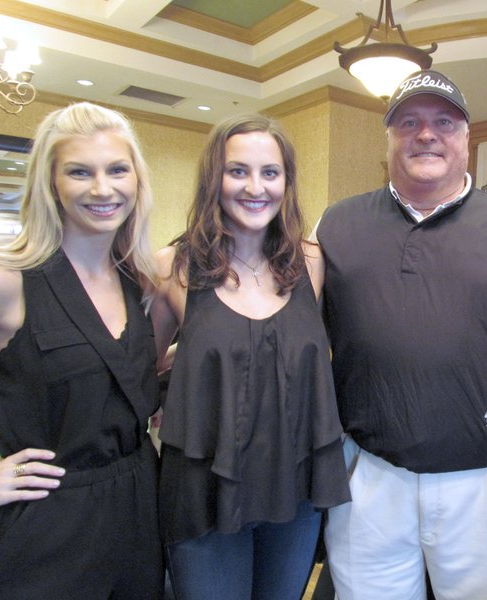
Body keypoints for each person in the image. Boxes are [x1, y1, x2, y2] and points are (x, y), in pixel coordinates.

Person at [315, 70, 487, 600]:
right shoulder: (333, 227)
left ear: (466, 139)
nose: (426, 134)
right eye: (409, 122)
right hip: (369, 473)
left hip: (486, 479)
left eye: (443, 122)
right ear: (389, 138)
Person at [151, 113, 350, 600]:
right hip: (204, 489)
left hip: (294, 486)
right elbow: (141, 371)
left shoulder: (313, 263)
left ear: (287, 181)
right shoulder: (172, 267)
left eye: (270, 172)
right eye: (237, 171)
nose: (254, 187)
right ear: (213, 179)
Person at [0, 102, 164, 598]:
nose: (103, 189)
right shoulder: (4, 281)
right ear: (51, 183)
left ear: (137, 181)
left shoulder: (139, 281)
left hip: (138, 513)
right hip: (48, 521)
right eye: (80, 172)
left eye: (117, 170)